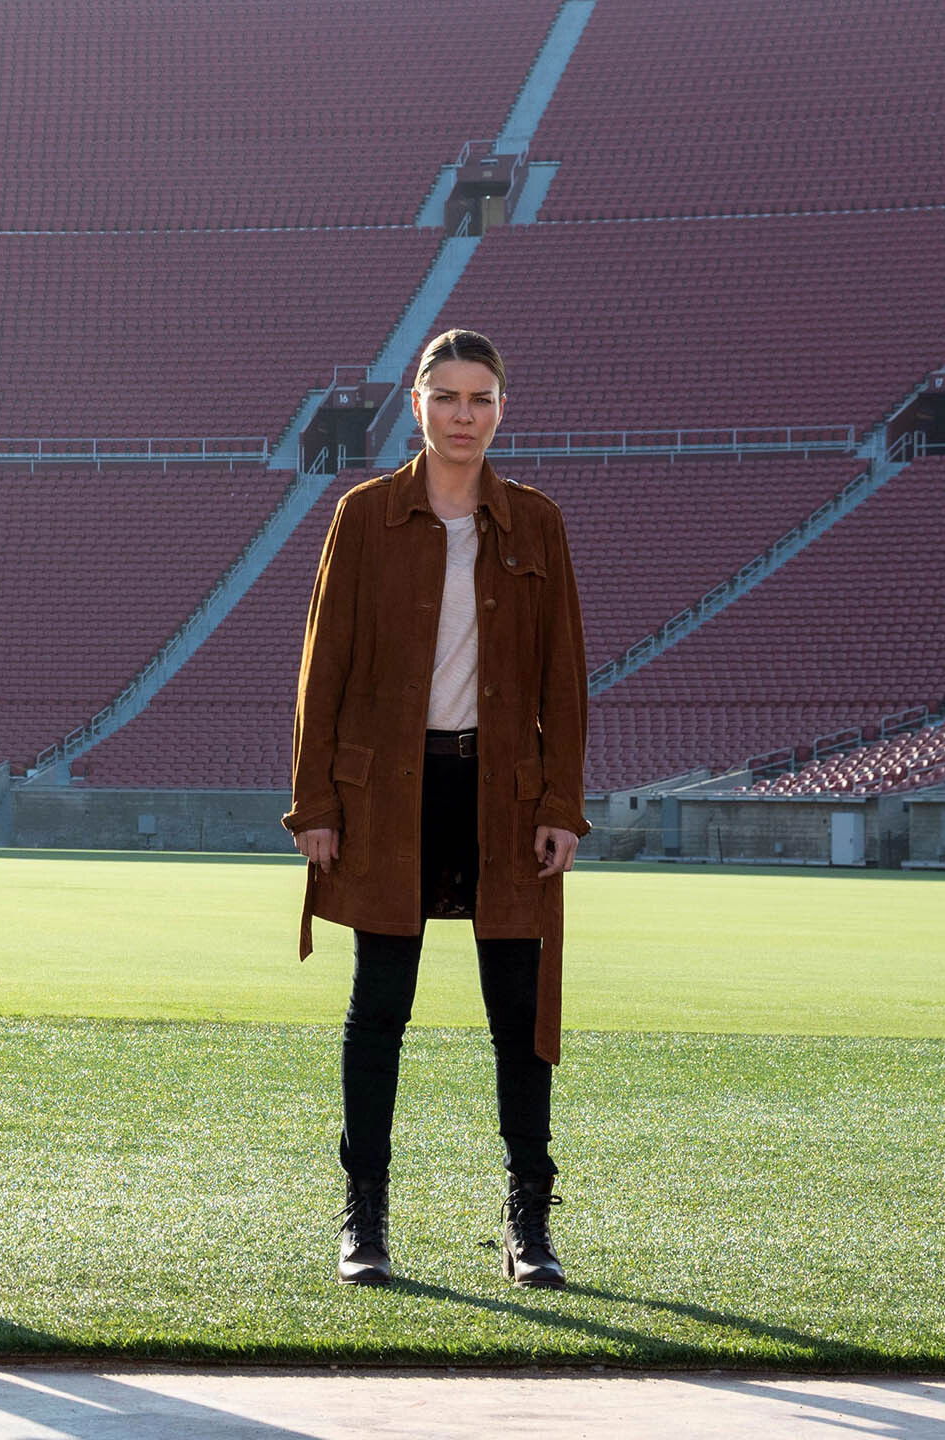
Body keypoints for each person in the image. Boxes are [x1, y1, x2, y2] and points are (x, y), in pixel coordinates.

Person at [284, 329, 589, 1289]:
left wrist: (561, 803)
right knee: (380, 1006)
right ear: (416, 405)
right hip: (389, 793)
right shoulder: (364, 516)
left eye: (481, 398)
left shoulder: (536, 522)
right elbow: (322, 670)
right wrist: (315, 803)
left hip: (503, 795)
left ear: (502, 409)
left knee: (519, 1013)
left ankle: (529, 1222)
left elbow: (565, 681)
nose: (465, 416)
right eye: (447, 397)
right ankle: (364, 1219)